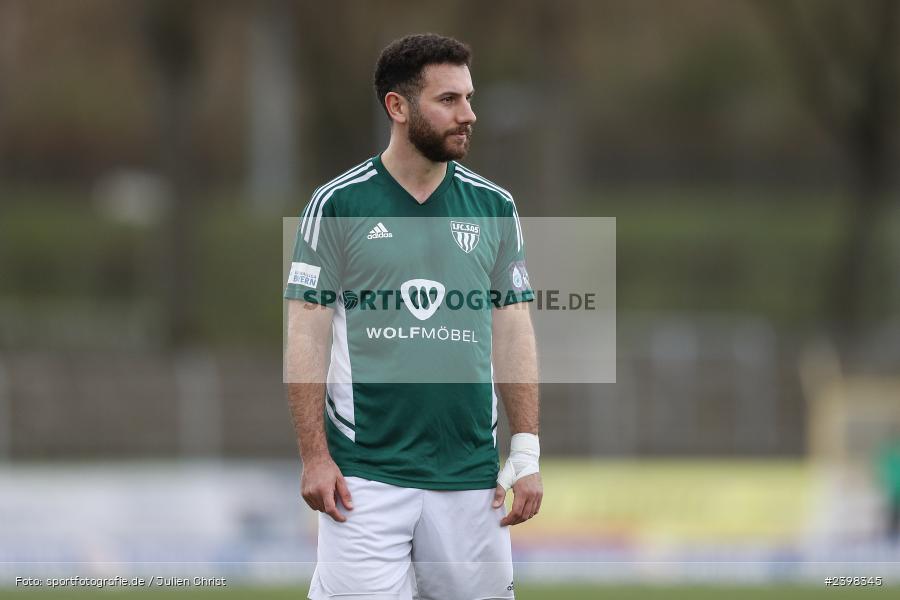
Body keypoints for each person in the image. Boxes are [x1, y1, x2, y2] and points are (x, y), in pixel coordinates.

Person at [284, 33, 541, 600]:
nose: (468, 114)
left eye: (469, 98)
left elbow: (513, 328)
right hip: (363, 479)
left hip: (472, 479)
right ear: (397, 107)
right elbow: (306, 333)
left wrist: (525, 451)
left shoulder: (495, 206)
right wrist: (314, 457)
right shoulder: (338, 204)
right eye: (448, 100)